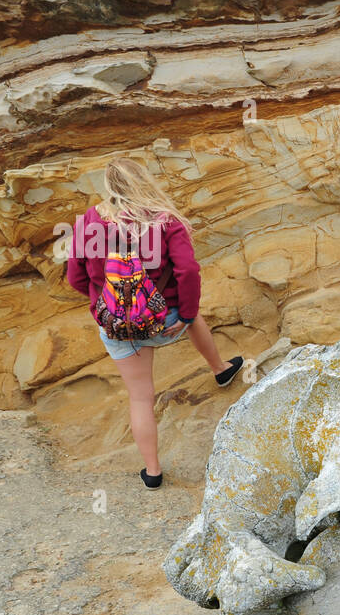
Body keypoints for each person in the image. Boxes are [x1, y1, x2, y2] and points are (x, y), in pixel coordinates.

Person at [66, 157, 243, 489]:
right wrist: (186, 313)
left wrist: (103, 303)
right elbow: (187, 271)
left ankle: (153, 472)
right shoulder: (165, 220)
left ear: (109, 187)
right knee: (195, 318)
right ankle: (220, 368)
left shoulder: (89, 223)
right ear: (143, 181)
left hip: (119, 328)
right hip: (168, 321)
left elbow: (75, 276)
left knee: (140, 398)